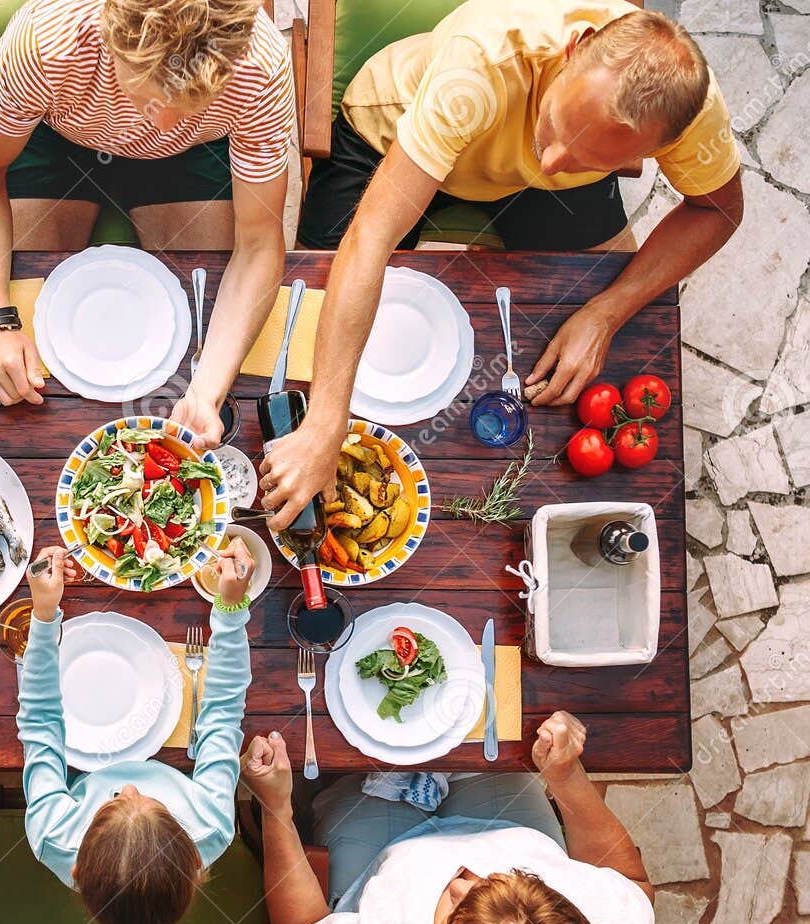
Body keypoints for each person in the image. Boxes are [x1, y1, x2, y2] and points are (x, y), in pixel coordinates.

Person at [259, 0, 742, 529]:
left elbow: (718, 210)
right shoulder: (480, 64)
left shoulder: (686, 110)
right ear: (573, 49)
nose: (552, 159)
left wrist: (607, 312)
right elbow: (370, 239)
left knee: (596, 349)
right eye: (559, 122)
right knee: (306, 310)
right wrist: (327, 423)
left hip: (527, 186)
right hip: (392, 135)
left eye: (590, 155)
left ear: (664, 146)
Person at [0, 0, 293, 440]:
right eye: (152, 96)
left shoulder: (260, 66)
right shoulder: (49, 39)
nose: (166, 123)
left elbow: (260, 244)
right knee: (22, 307)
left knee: (200, 317)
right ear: (109, 38)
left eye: (192, 101)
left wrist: (207, 393)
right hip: (58, 138)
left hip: (188, 157)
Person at [249, 711, 656, 924]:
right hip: (506, 822)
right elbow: (631, 879)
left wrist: (274, 807)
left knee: (354, 753)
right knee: (483, 732)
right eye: (513, 875)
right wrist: (567, 778)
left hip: (381, 856)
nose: (465, 876)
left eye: (454, 912)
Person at [16, 538, 254, 924]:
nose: (128, 786)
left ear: (76, 871)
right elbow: (222, 715)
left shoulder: (52, 836)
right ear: (196, 864)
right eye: (152, 803)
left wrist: (43, 614)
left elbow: (40, 723)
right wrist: (231, 610)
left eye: (112, 802)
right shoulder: (213, 825)